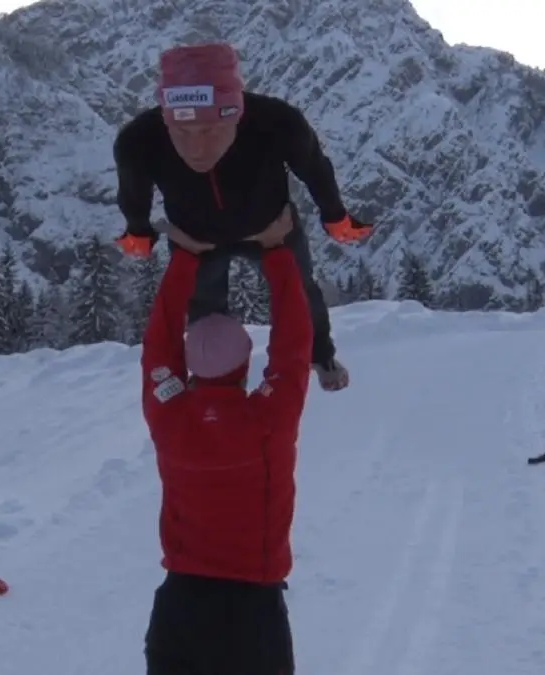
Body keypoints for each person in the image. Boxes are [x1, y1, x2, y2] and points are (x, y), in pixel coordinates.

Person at [113, 41, 373, 392]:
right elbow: (134, 190)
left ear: (235, 114)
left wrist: (336, 215)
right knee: (206, 307)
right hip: (199, 238)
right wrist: (138, 228)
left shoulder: (277, 123)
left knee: (299, 294)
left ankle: (319, 353)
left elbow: (314, 168)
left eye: (210, 131)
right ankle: (214, 374)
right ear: (166, 119)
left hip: (270, 230)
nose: (196, 148)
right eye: (182, 132)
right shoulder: (139, 141)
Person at [138, 221, 312, 675]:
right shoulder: (268, 422)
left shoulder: (169, 416)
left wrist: (185, 259)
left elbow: (157, 348)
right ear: (244, 365)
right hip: (251, 614)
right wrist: (276, 252)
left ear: (189, 366)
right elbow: (294, 347)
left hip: (178, 608)